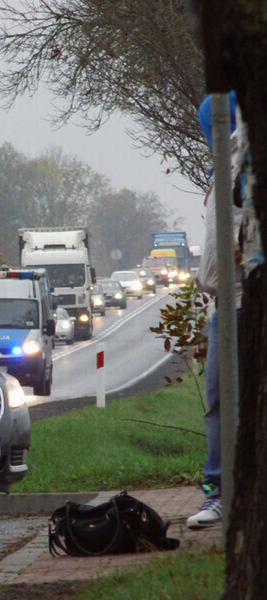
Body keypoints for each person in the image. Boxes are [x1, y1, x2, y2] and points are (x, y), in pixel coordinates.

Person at [187, 92, 243, 529]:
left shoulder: (241, 170)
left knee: (224, 401)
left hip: (242, 300)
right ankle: (220, 490)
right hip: (227, 303)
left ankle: (223, 490)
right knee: (220, 400)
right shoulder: (222, 174)